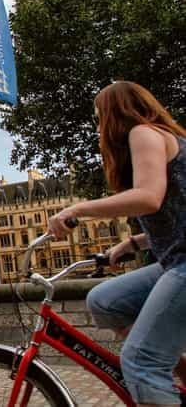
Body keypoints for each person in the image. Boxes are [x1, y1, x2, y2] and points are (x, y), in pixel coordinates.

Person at [48, 81, 186, 407]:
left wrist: (78, 209)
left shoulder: (142, 132)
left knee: (141, 362)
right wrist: (135, 242)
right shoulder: (165, 137)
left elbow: (149, 198)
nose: (99, 127)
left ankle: (153, 372)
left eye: (99, 117)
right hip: (175, 260)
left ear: (115, 113)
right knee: (104, 300)